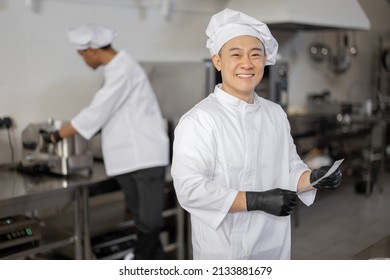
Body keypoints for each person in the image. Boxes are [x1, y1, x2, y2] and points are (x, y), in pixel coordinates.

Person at [171, 8, 342, 260]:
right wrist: (255, 201)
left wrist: (312, 177)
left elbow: (289, 167)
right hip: (224, 250)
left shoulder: (274, 114)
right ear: (218, 61)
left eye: (255, 54)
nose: (247, 63)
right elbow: (189, 188)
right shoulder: (200, 120)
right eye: (236, 54)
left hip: (273, 244)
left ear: (265, 60)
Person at [43, 24, 170, 260]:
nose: (84, 61)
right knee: (143, 221)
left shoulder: (124, 69)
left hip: (144, 156)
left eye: (82, 55)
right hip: (130, 159)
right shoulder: (115, 71)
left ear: (91, 50)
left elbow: (98, 110)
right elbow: (107, 115)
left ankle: (138, 260)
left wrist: (58, 135)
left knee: (149, 222)